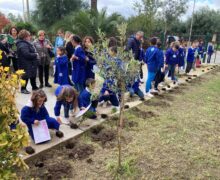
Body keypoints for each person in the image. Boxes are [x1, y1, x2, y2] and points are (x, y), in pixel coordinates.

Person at [16, 29, 39, 94]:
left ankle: (34, 87)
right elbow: (27, 54)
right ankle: (23, 89)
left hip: (30, 63)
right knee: (25, 76)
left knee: (32, 75)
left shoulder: (25, 43)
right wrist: (35, 54)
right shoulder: (22, 44)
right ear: (25, 37)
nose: (30, 37)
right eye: (29, 36)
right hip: (25, 63)